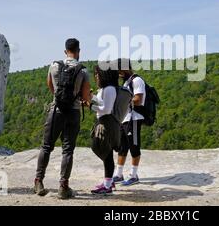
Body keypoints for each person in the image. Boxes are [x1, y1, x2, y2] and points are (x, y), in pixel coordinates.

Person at [34, 38, 90, 199]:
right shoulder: (83, 71)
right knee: (68, 150)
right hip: (73, 112)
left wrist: (59, 98)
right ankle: (63, 187)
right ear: (78, 51)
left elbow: (50, 85)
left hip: (56, 110)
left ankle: (38, 182)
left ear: (65, 51)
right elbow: (85, 96)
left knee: (46, 146)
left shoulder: (54, 65)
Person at [113, 59, 146, 186]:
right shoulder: (126, 83)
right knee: (122, 147)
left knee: (134, 146)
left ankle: (134, 175)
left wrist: (123, 102)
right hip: (125, 118)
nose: (119, 73)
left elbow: (138, 99)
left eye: (120, 70)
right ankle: (119, 174)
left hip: (134, 118)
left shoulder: (137, 80)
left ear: (126, 69)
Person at [89, 65, 120, 195]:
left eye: (98, 74)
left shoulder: (109, 89)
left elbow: (106, 109)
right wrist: (91, 97)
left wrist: (90, 106)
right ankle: (109, 181)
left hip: (106, 123)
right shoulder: (107, 89)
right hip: (106, 122)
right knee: (107, 154)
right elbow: (102, 102)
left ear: (105, 75)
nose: (96, 77)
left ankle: (107, 186)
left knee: (103, 151)